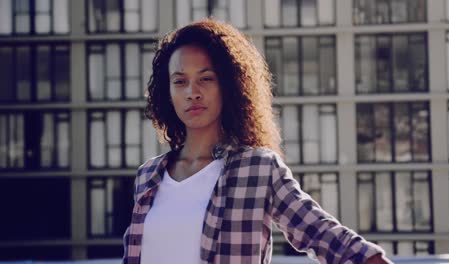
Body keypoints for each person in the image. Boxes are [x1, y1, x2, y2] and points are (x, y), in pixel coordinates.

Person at [122, 19, 392, 264]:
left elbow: (320, 234)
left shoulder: (257, 168)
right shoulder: (148, 175)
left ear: (228, 85)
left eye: (206, 78)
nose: (193, 92)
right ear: (167, 93)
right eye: (180, 81)